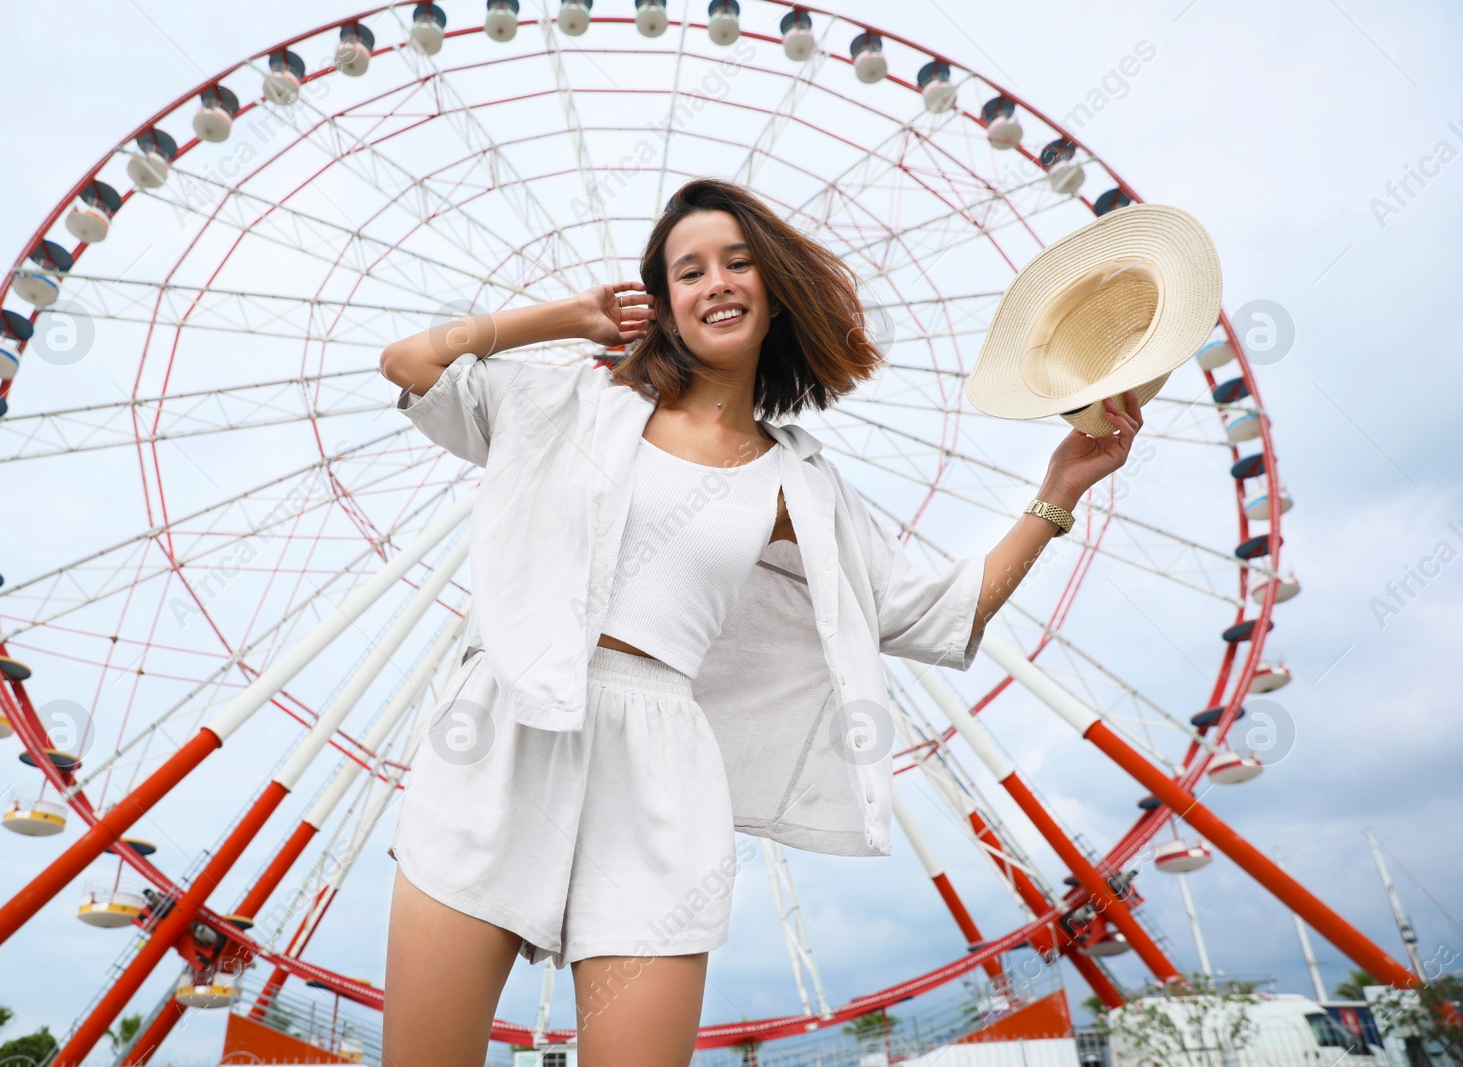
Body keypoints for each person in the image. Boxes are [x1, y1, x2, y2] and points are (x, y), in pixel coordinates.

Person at [376, 177, 1143, 1066]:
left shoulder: (799, 486)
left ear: (774, 292)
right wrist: (567, 316)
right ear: (661, 305)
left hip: (655, 768)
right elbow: (411, 361)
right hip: (506, 728)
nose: (717, 282)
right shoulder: (568, 406)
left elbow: (937, 613)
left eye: (739, 263)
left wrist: (1055, 495)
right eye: (689, 271)